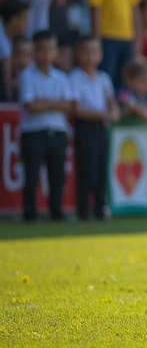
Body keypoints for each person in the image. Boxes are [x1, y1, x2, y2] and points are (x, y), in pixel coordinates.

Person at [18, 31, 75, 223]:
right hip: (33, 132)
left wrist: (45, 102)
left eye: (50, 49)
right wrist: (54, 103)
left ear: (56, 52)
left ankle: (56, 210)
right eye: (41, 50)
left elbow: (68, 105)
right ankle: (30, 212)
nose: (45, 54)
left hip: (58, 131)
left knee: (57, 175)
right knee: (32, 174)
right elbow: (31, 106)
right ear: (34, 52)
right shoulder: (27, 76)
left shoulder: (61, 77)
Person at [70, 37, 119, 222]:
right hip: (85, 128)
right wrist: (104, 115)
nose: (90, 56)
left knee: (101, 168)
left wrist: (113, 112)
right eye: (86, 52)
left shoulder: (104, 78)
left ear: (100, 55)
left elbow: (111, 102)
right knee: (86, 169)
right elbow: (77, 109)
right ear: (78, 54)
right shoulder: (75, 78)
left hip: (101, 129)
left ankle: (100, 207)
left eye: (94, 52)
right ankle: (83, 210)